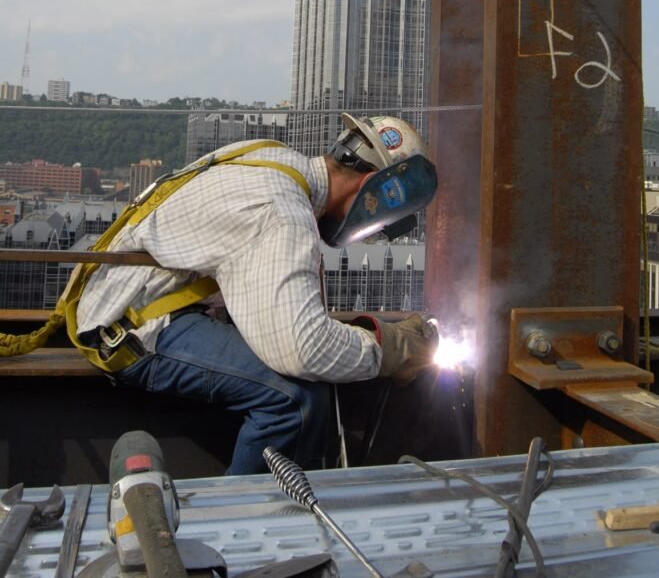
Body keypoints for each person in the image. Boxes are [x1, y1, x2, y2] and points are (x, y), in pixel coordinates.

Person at [75, 112, 438, 475]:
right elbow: (304, 350)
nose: (372, 232)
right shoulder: (284, 216)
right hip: (132, 326)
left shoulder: (272, 158)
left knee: (309, 387)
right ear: (372, 186)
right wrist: (390, 348)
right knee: (296, 400)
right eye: (380, 221)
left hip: (131, 302)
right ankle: (246, 513)